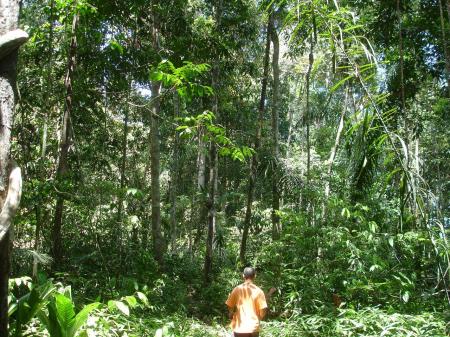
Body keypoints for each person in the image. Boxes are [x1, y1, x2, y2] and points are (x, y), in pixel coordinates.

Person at [225, 267, 275, 337]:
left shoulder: (237, 289)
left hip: (240, 327)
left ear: (243, 276)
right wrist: (259, 318)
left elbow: (230, 305)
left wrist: (231, 313)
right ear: (255, 276)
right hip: (253, 327)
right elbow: (263, 310)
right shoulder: (259, 291)